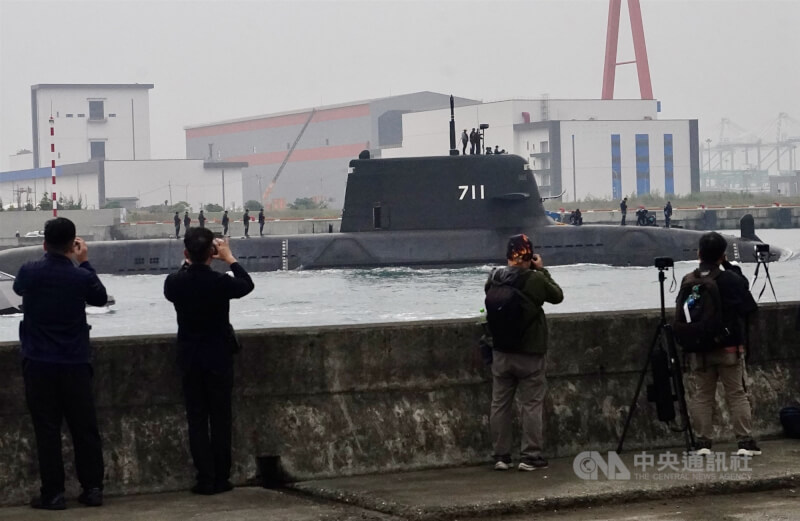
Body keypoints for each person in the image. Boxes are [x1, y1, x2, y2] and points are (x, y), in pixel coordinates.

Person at [14, 217, 108, 509]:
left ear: (44, 244)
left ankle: (53, 494)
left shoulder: (29, 272)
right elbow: (100, 298)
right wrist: (84, 262)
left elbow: (17, 289)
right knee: (84, 429)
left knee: (47, 431)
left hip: (39, 362)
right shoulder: (80, 276)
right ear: (73, 244)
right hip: (75, 362)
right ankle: (92, 489)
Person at [164, 228, 255, 495]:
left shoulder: (174, 283)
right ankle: (221, 477)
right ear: (212, 254)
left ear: (185, 254)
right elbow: (247, 284)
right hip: (218, 357)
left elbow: (181, 278)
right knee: (220, 418)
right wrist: (230, 258)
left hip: (190, 357)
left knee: (197, 419)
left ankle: (204, 478)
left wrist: (192, 261)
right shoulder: (220, 283)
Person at [485, 234, 563, 471]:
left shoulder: (494, 278)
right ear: (529, 256)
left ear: (508, 255)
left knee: (499, 404)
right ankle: (530, 456)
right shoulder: (534, 279)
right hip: (529, 353)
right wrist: (542, 270)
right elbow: (557, 296)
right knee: (531, 404)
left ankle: (500, 456)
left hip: (500, 352)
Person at [681, 232, 760, 457]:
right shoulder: (730, 280)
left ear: (699, 254)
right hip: (728, 348)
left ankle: (703, 443)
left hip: (699, 349)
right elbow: (749, 308)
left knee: (702, 395)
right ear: (722, 256)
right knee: (736, 393)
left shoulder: (689, 280)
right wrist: (729, 266)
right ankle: (744, 442)